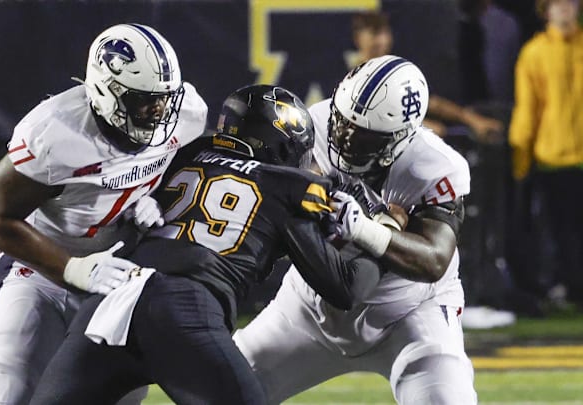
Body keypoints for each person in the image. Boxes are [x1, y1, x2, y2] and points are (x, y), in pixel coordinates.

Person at [28, 84, 394, 405]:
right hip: (184, 306)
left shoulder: (183, 155)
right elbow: (344, 288)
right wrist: (377, 240)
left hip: (110, 297)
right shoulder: (290, 186)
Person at [0, 23, 208, 405]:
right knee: (2, 388)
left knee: (117, 397)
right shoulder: (56, 134)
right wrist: (74, 268)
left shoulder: (186, 115)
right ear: (106, 91)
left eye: (164, 98)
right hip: (40, 273)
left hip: (118, 276)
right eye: (143, 99)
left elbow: (187, 167)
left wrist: (156, 196)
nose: (159, 110)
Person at [233, 55, 478, 404]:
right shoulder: (314, 123)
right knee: (220, 390)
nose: (345, 137)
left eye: (362, 135)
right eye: (343, 122)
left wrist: (362, 228)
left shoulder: (434, 166)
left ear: (399, 139)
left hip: (407, 315)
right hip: (309, 306)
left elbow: (434, 260)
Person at [508, 0, 583, 307]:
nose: (565, 8)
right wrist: (520, 158)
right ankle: (572, 288)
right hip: (553, 158)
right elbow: (528, 110)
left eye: (570, 2)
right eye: (557, 3)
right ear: (545, 10)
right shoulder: (534, 53)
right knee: (563, 231)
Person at [346, 10, 503, 143]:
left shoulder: (395, 72)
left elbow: (432, 103)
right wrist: (421, 129)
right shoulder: (353, 80)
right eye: (375, 34)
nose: (384, 41)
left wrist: (472, 120)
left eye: (386, 33)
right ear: (358, 39)